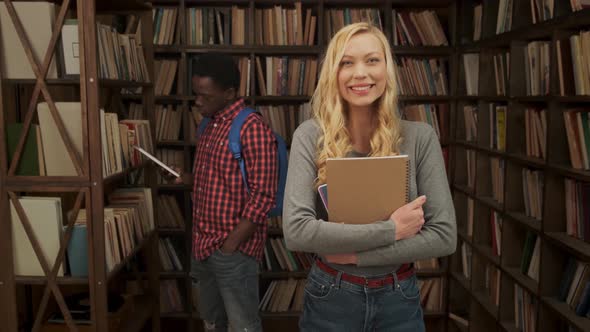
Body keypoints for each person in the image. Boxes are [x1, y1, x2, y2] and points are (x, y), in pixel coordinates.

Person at [282, 22, 456, 331]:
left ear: (387, 69)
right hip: (330, 296)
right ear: (333, 73)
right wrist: (392, 229)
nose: (360, 73)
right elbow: (297, 232)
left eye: (372, 60)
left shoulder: (420, 137)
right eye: (346, 62)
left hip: (398, 296)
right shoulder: (309, 136)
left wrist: (354, 257)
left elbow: (443, 236)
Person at [169, 53, 278, 332]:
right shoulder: (208, 124)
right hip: (202, 244)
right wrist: (187, 177)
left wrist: (232, 244)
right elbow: (216, 178)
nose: (197, 102)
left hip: (233, 249)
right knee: (211, 321)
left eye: (205, 95)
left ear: (229, 93)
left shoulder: (252, 128)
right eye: (196, 94)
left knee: (242, 325)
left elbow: (264, 195)